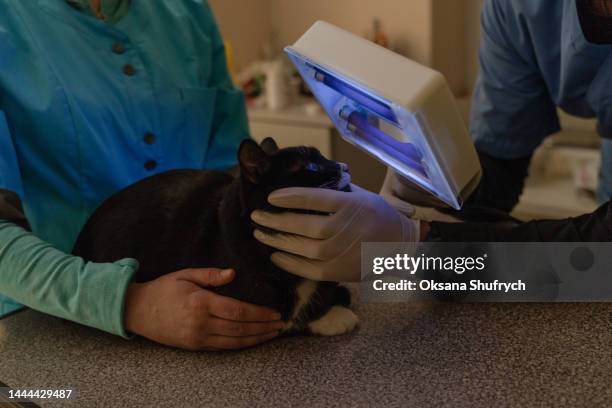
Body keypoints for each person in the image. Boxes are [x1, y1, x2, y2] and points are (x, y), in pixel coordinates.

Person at [252, 0, 612, 282]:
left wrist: (418, 248)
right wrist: (439, 176)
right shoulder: (520, 9)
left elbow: (598, 257)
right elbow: (499, 173)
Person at [0, 0, 284, 351]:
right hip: (53, 329)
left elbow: (230, 177)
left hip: (212, 314)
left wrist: (367, 258)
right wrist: (131, 302)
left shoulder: (189, 12)